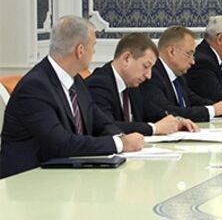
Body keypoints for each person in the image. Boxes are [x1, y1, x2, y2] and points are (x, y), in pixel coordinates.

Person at [0, 16, 143, 178]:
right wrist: (120, 144)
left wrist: (121, 137)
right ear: (80, 51)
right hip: (28, 180)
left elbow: (100, 123)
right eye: (93, 45)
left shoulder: (76, 81)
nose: (94, 51)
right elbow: (61, 144)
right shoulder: (35, 87)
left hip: (64, 174)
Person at [87, 33, 198, 135]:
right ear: (126, 59)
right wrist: (153, 128)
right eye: (146, 66)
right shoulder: (98, 83)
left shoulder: (133, 83)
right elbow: (107, 126)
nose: (148, 75)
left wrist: (177, 121)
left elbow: (152, 112)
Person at [139, 26, 222, 122]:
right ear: (171, 51)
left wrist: (219, 106)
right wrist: (212, 110)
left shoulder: (178, 75)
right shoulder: (152, 74)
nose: (192, 61)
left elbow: (192, 100)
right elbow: (167, 111)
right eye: (189, 54)